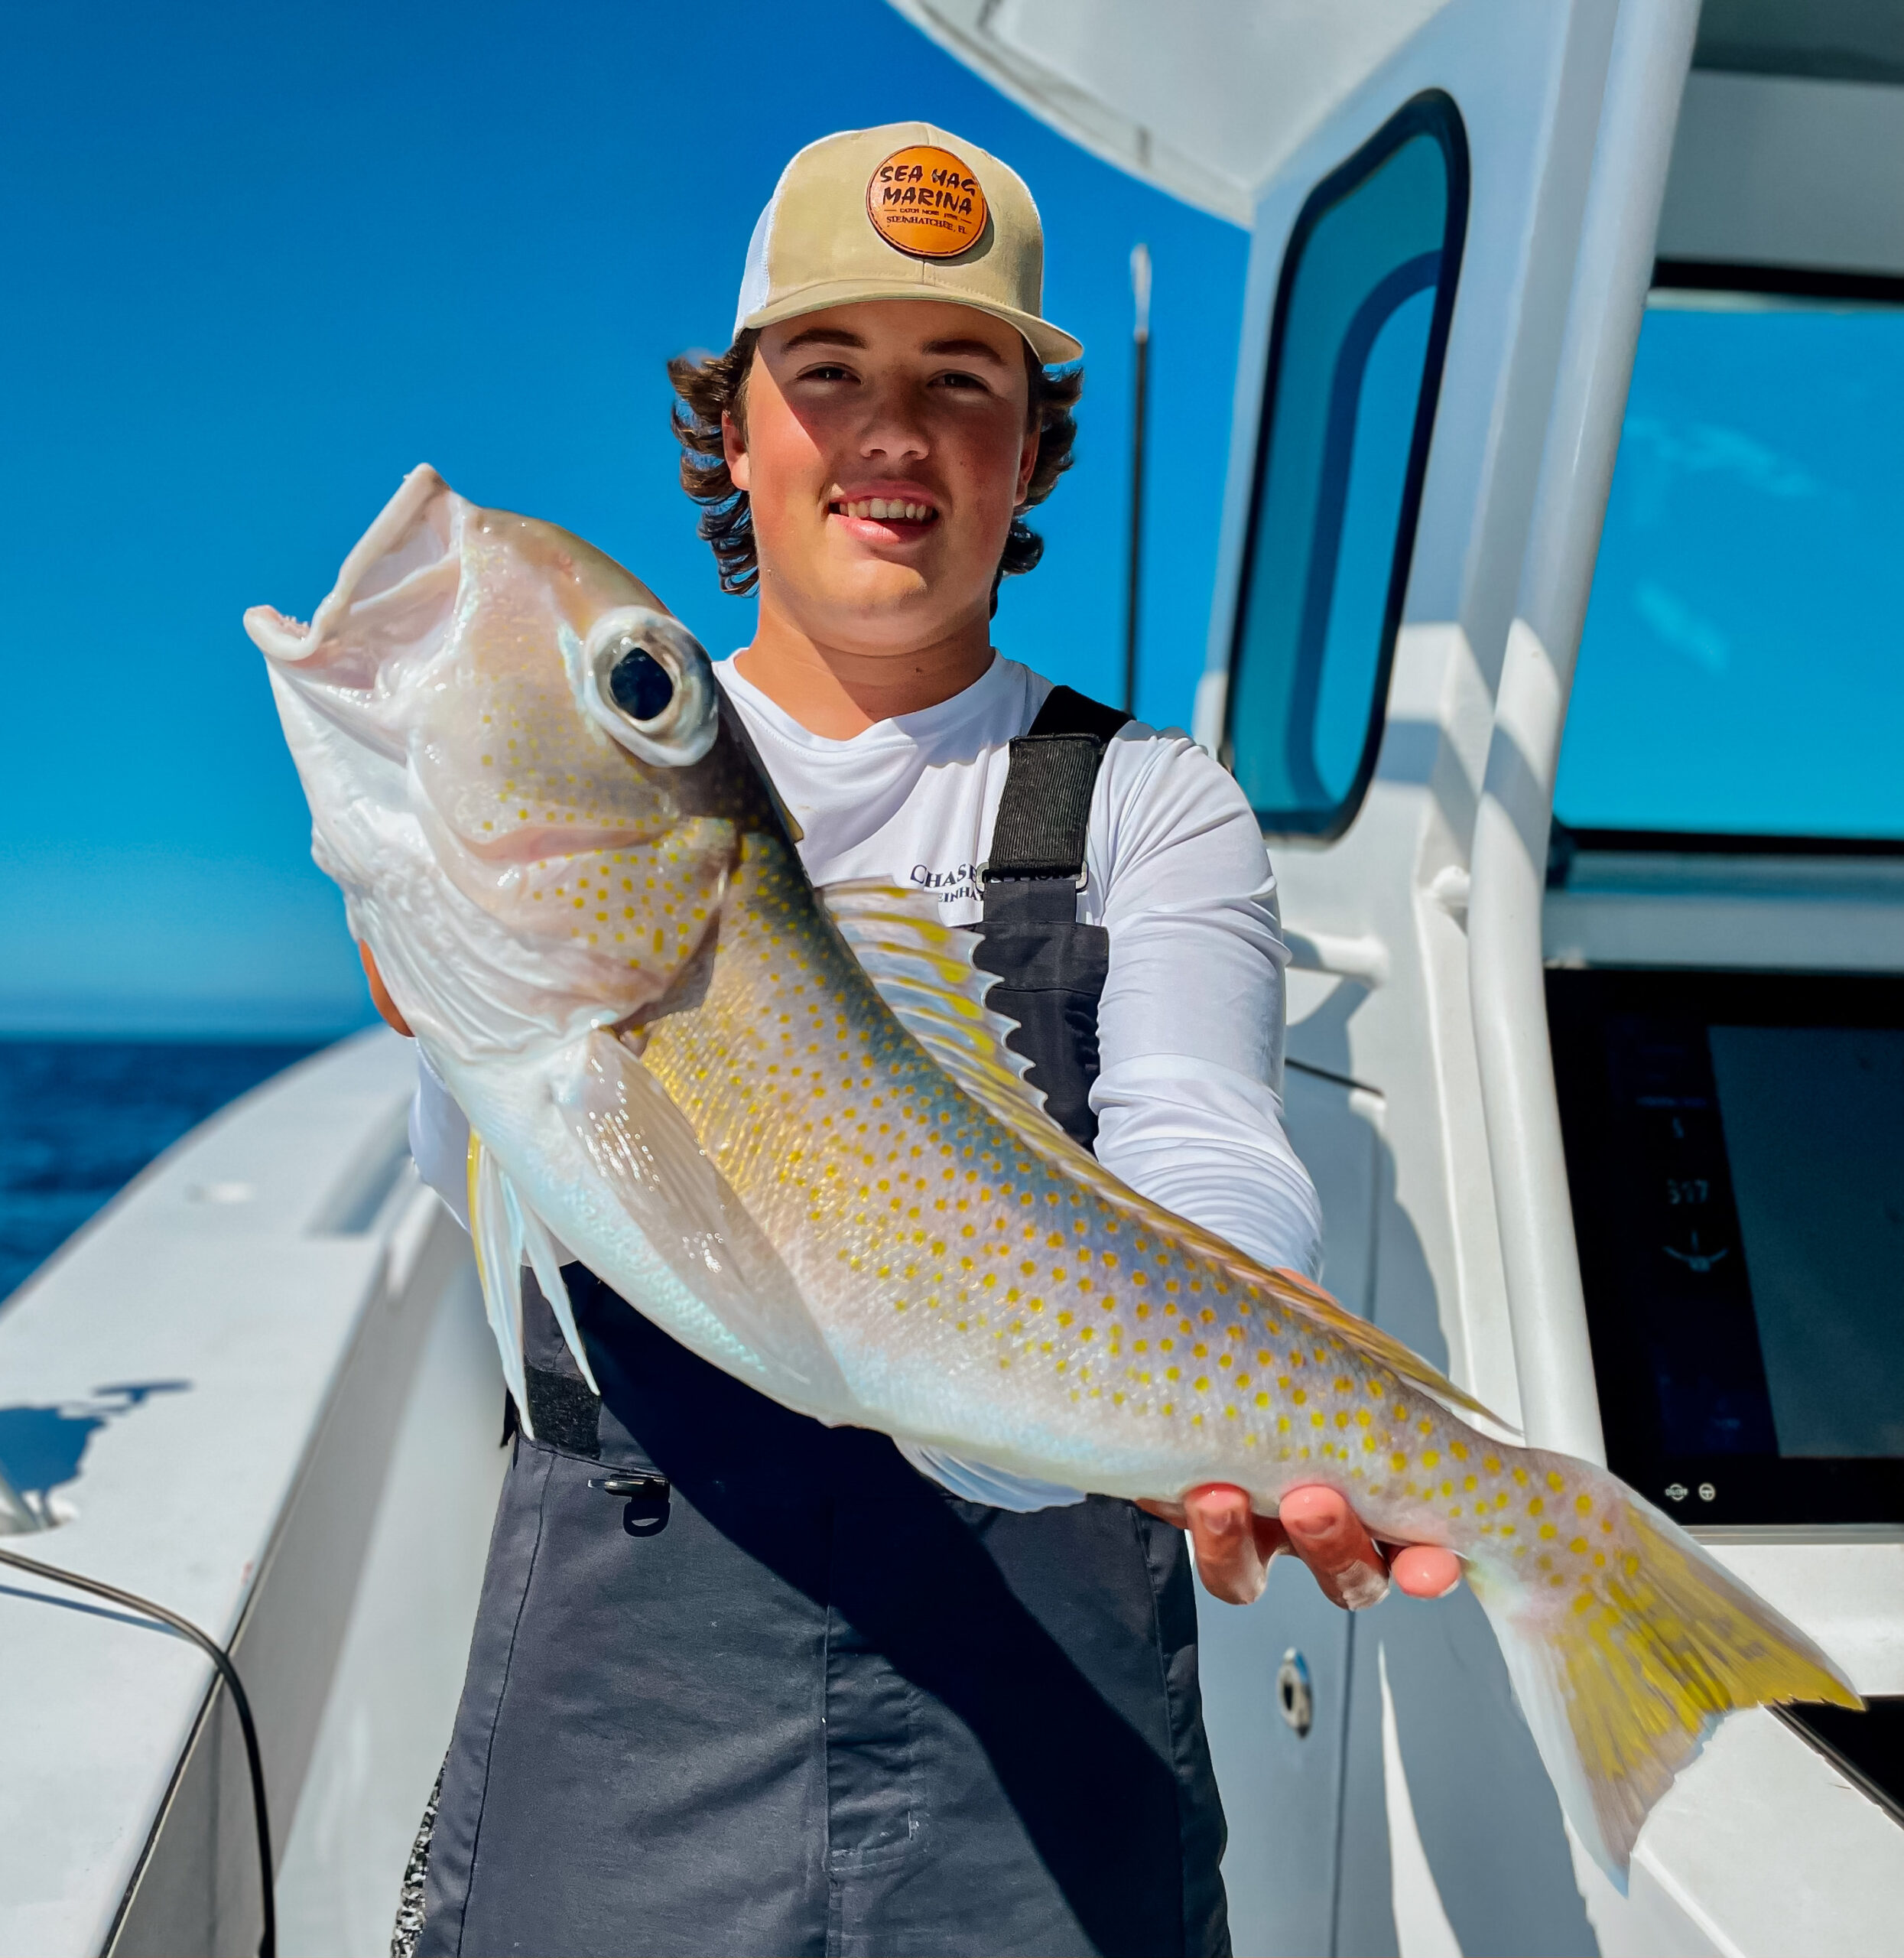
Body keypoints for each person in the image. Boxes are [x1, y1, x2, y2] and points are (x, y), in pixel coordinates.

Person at [372, 122, 1460, 1958]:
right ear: (732, 427)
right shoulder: (604, 762)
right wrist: (441, 993)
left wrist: (1242, 1398)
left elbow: (1204, 1139)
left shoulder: (1144, 800)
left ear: (1029, 450)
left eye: (962, 380)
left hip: (1045, 1717)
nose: (893, 433)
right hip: (632, 1700)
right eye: (829, 371)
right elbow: (490, 1191)